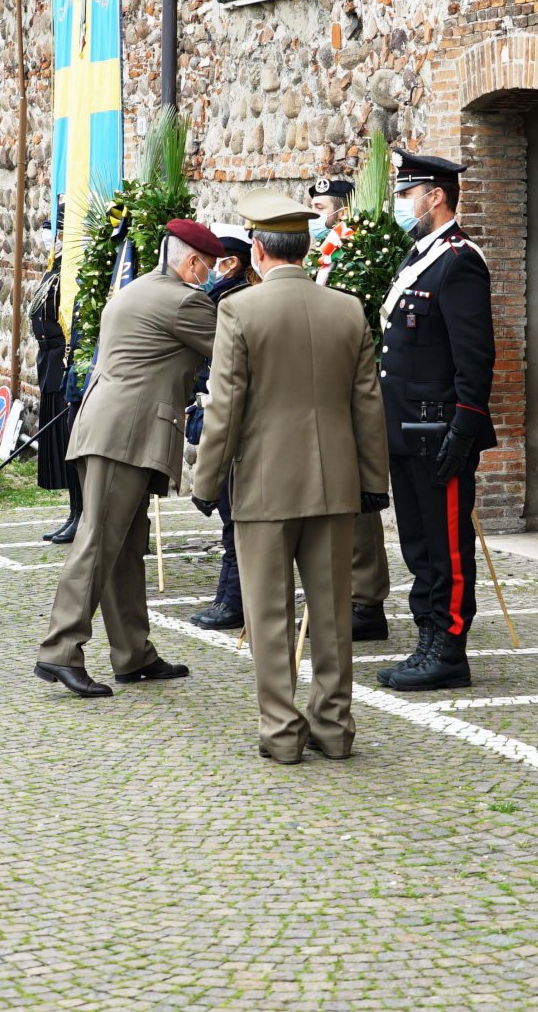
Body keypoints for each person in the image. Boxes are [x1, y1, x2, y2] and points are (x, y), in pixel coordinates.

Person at [193, 193, 389, 763]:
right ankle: (334, 727)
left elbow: (225, 407)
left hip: (264, 482)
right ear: (305, 247)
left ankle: (281, 732)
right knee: (331, 612)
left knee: (269, 613)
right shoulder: (348, 308)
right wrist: (373, 482)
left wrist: (206, 484)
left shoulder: (240, 311)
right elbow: (367, 406)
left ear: (257, 249)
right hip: (334, 481)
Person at [32, 218, 220, 698]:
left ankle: (132, 653)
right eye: (210, 266)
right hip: (126, 435)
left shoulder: (138, 289)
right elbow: (234, 350)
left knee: (125, 548)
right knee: (98, 543)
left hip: (108, 426)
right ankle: (60, 651)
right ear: (192, 262)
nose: (212, 275)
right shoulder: (183, 300)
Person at [376, 150, 496, 692]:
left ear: (435, 197)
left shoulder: (459, 260)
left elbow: (476, 356)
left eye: (406, 194)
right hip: (405, 427)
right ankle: (427, 637)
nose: (401, 204)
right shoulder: (418, 257)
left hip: (440, 429)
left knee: (447, 546)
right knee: (418, 544)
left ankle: (449, 648)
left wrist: (465, 427)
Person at [306, 172, 396, 641]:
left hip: (358, 385)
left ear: (344, 209)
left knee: (360, 496)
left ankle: (366, 600)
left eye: (324, 210)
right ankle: (338, 590)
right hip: (322, 387)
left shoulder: (365, 251)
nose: (319, 218)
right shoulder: (323, 253)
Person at [186, 225, 259, 631]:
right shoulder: (219, 296)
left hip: (234, 417)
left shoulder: (235, 299)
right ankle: (230, 595)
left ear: (235, 262)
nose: (215, 269)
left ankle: (234, 599)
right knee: (231, 514)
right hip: (216, 407)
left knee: (235, 515)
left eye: (222, 262)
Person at [29, 223, 82, 544]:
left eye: (57, 228)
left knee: (72, 445)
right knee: (61, 448)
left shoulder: (74, 268)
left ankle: (81, 515)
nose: (51, 235)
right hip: (49, 364)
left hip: (63, 363)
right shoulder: (56, 264)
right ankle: (73, 513)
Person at [307, 174, 354, 284]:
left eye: (319, 208)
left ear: (342, 213)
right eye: (311, 207)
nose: (312, 213)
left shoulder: (352, 250)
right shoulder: (324, 249)